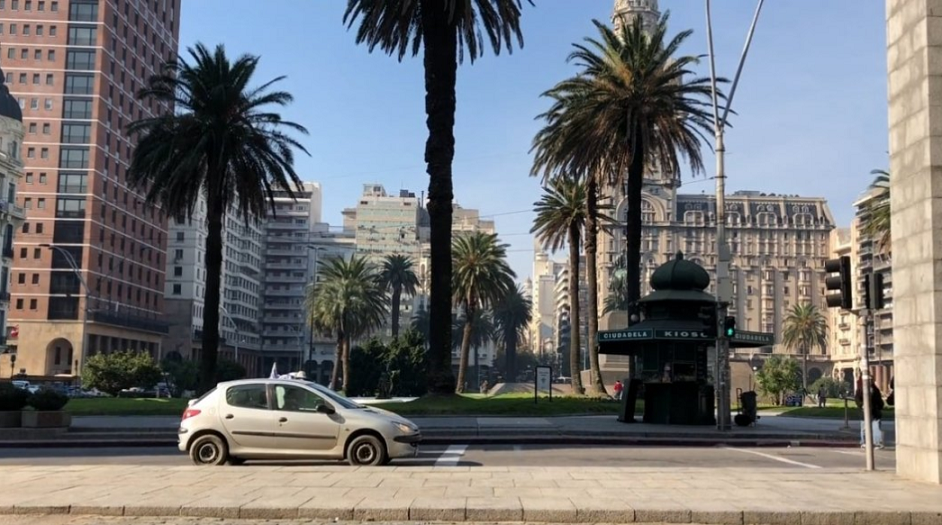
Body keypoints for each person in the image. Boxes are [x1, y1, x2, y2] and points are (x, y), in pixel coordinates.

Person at [860, 384, 885, 449]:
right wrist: (861, 405)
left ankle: (876, 443)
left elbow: (879, 401)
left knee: (875, 428)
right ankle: (866, 442)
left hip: (874, 413)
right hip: (868, 412)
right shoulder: (861, 389)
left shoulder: (875, 390)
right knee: (865, 428)